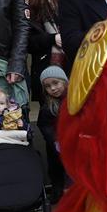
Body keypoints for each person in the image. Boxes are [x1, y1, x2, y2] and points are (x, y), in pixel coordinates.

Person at [27, 0, 72, 102]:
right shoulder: (34, 6)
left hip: (73, 67)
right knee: (48, 112)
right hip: (46, 72)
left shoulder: (76, 3)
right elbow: (28, 42)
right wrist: (53, 38)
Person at [37, 65, 70, 202]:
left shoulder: (74, 99)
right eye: (48, 86)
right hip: (57, 144)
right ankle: (57, 193)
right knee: (56, 169)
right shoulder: (48, 107)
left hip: (74, 141)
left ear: (65, 81)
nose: (53, 88)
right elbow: (44, 125)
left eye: (56, 83)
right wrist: (55, 140)